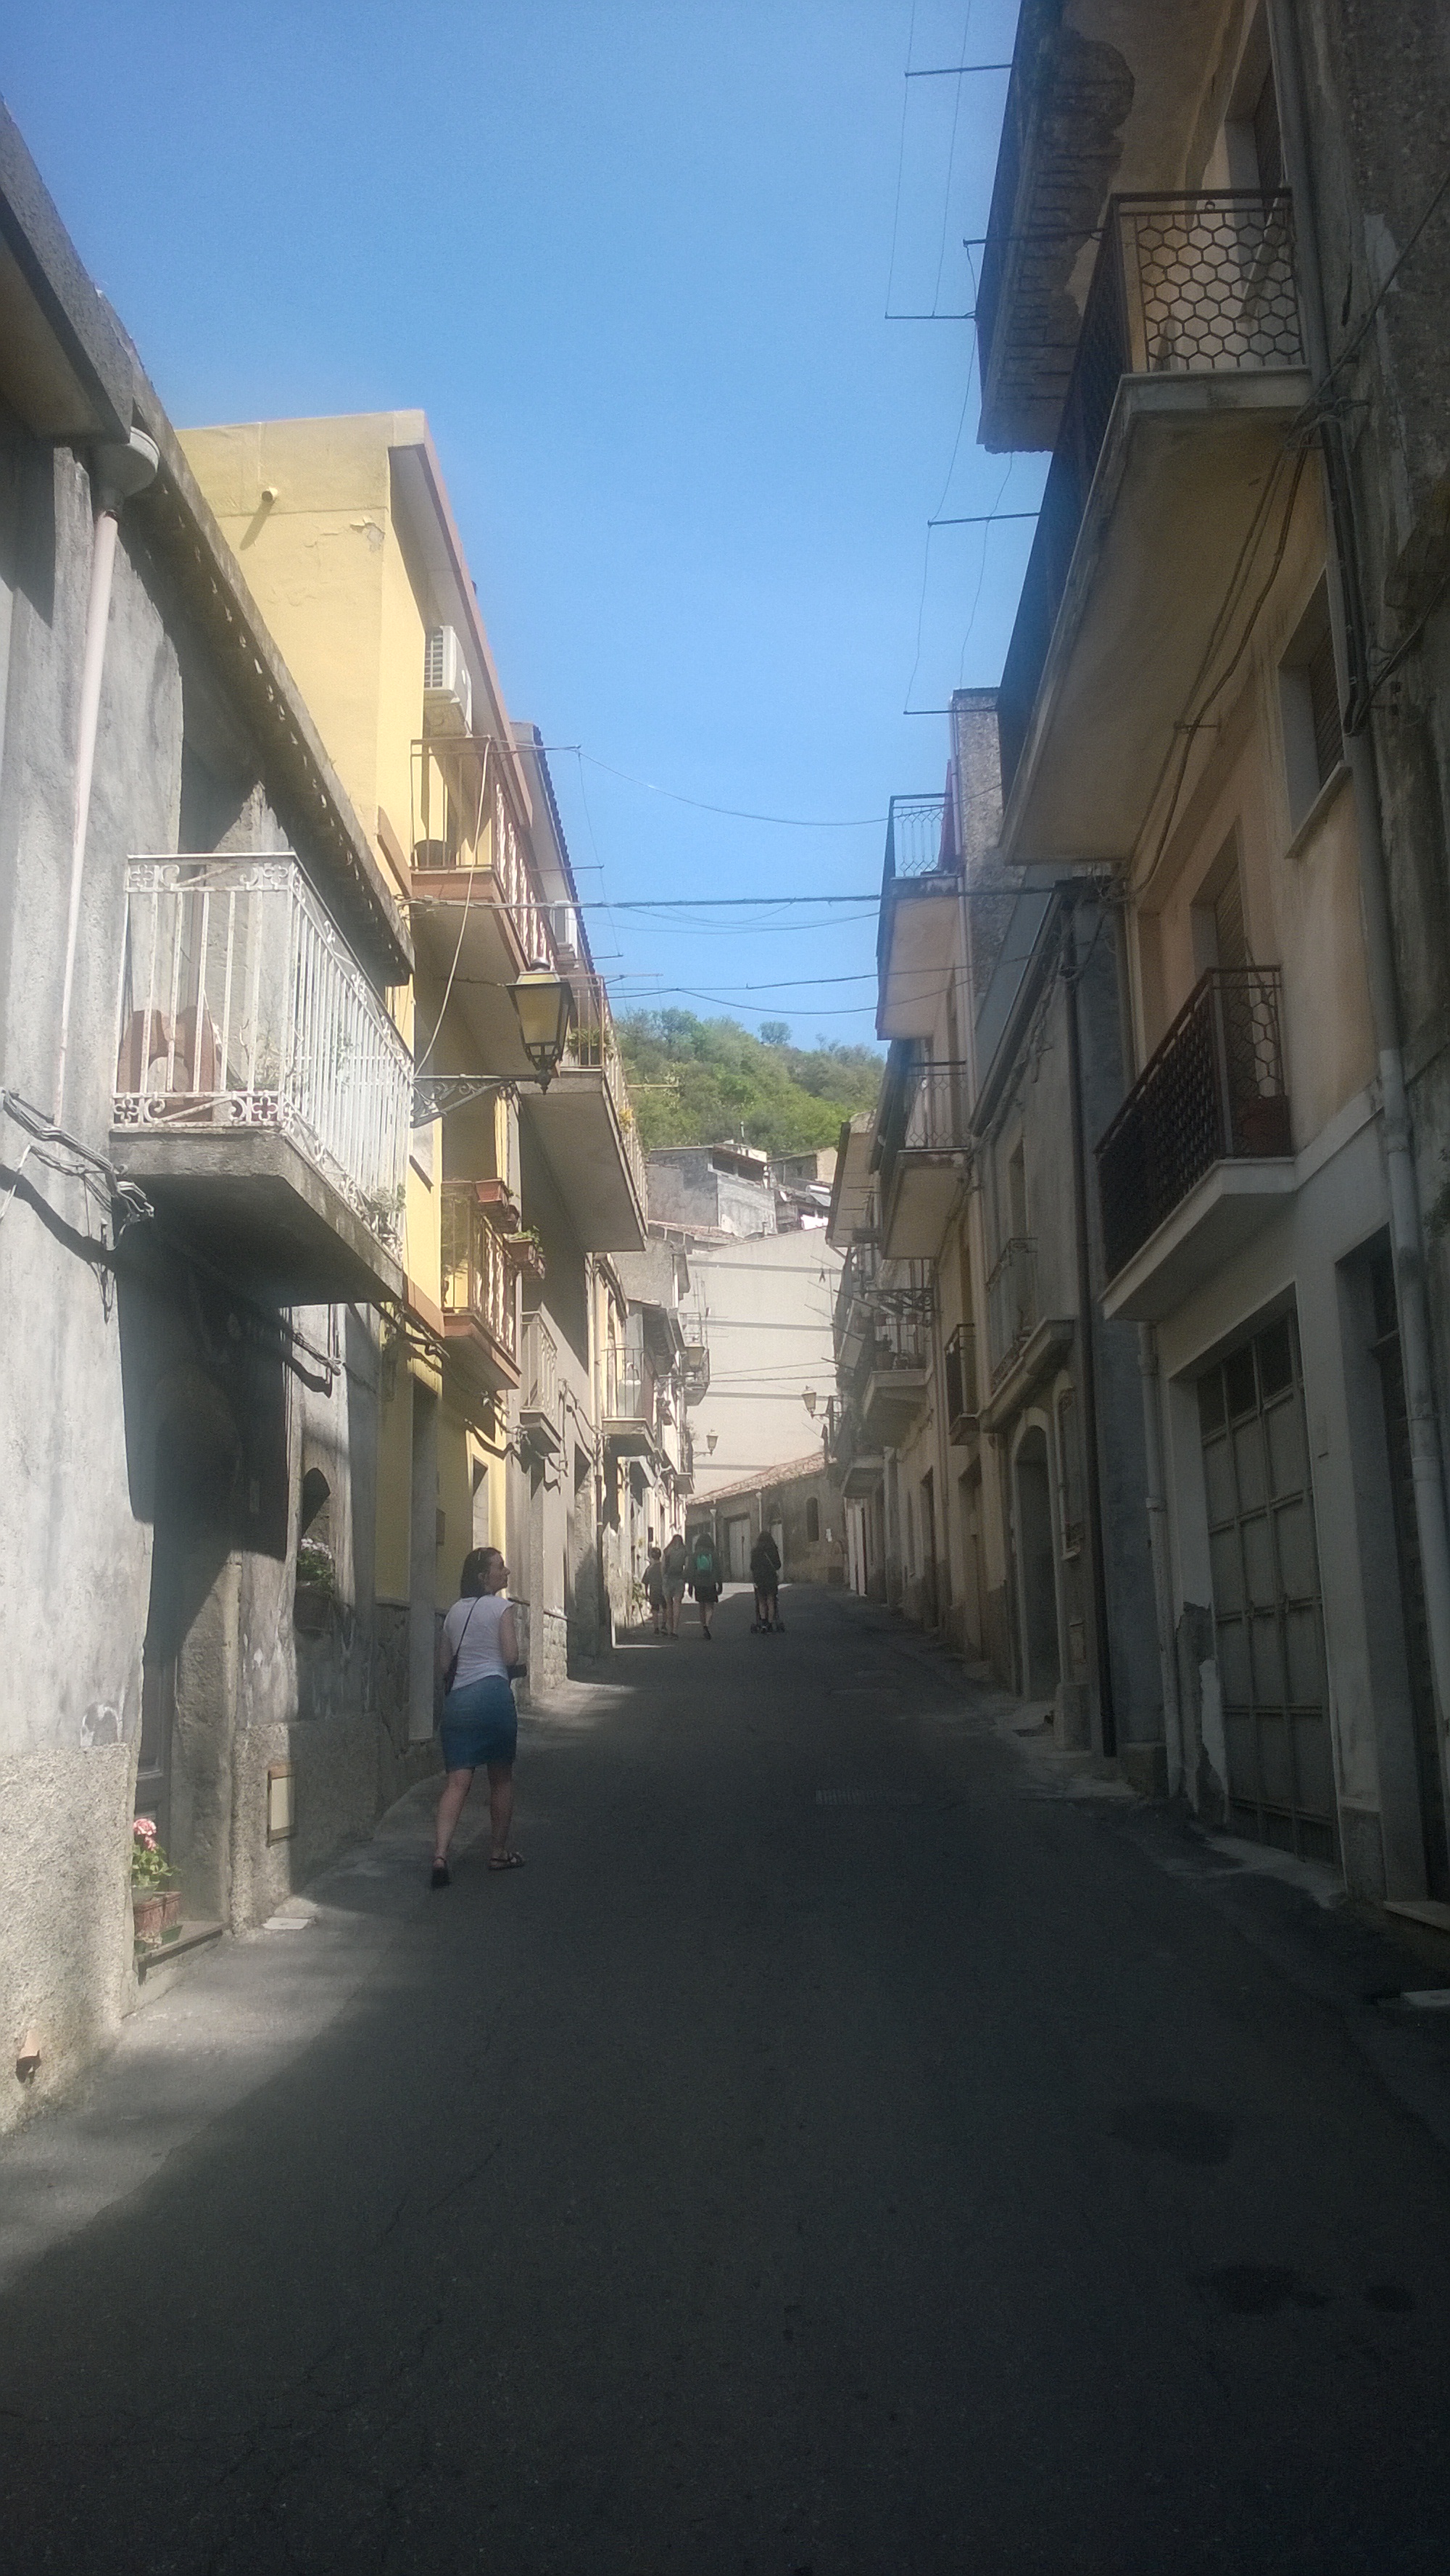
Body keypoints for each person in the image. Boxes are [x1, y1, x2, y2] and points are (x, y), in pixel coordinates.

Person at [431, 1545, 523, 1886]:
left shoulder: (454, 1612)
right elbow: (510, 1656)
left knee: (457, 1783)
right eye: (501, 1567)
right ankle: (498, 1853)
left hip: (459, 1703)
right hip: (493, 1698)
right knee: (501, 1778)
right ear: (485, 1577)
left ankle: (440, 1855)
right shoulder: (501, 1608)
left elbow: (445, 1665)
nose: (506, 1571)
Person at [687, 1525, 723, 1639]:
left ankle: (703, 1625)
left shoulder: (695, 1555)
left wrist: (690, 1585)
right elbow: (718, 1570)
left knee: (701, 1605)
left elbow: (691, 1571)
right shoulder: (713, 1554)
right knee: (710, 1606)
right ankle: (707, 1625)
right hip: (710, 1583)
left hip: (699, 1583)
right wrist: (720, 1584)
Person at [750, 1527, 782, 1633]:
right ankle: (770, 1623)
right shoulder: (773, 1550)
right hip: (771, 1578)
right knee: (771, 1600)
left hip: (760, 1579)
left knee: (761, 1601)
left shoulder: (755, 1551)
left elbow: (752, 1566)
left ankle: (763, 1622)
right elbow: (778, 1565)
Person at [661, 1530, 688, 1637]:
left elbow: (663, 1566)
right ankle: (675, 1630)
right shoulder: (685, 1551)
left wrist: (663, 1578)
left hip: (668, 1579)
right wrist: (685, 1578)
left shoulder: (667, 1551)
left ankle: (669, 1628)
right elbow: (687, 1567)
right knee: (677, 1604)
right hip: (679, 1579)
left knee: (669, 1605)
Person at [645, 1542, 667, 1637]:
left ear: (651, 1556)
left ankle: (656, 1629)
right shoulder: (664, 1567)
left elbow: (646, 1583)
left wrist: (646, 1593)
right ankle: (664, 1625)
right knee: (665, 1608)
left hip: (654, 1590)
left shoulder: (649, 1569)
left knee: (655, 1609)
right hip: (664, 1589)